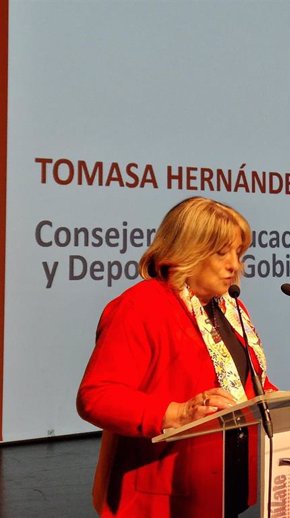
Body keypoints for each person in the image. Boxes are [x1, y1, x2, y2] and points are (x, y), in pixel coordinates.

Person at [77, 196, 278, 518]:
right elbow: (96, 397)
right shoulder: (141, 306)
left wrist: (279, 400)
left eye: (239, 253)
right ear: (189, 249)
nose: (234, 265)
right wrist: (178, 413)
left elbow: (243, 385)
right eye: (221, 252)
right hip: (163, 494)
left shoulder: (230, 307)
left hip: (223, 484)